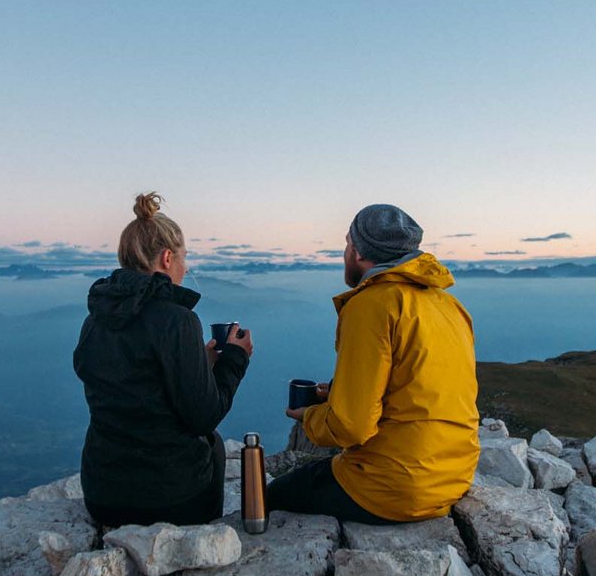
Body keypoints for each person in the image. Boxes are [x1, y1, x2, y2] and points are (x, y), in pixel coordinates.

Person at [271, 203, 479, 524]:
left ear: (358, 253)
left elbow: (352, 427)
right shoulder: (451, 307)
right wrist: (339, 394)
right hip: (454, 478)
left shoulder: (371, 306)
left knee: (269, 498)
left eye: (347, 243)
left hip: (396, 487)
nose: (344, 252)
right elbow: (416, 390)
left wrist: (309, 416)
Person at [73, 192, 252, 527]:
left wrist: (199, 365)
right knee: (211, 444)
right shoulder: (177, 320)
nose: (186, 268)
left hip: (101, 496)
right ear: (168, 258)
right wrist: (234, 361)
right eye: (185, 258)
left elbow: (135, 382)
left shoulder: (95, 318)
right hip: (170, 502)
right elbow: (203, 417)